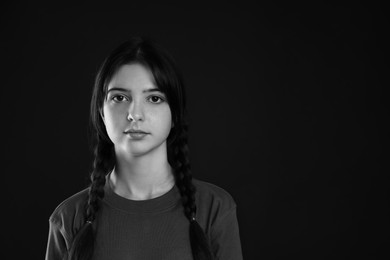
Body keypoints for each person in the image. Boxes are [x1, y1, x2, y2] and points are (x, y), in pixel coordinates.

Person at [45, 36, 243, 260]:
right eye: (119, 97)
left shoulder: (215, 209)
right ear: (101, 111)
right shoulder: (69, 218)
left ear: (175, 114)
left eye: (154, 98)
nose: (134, 114)